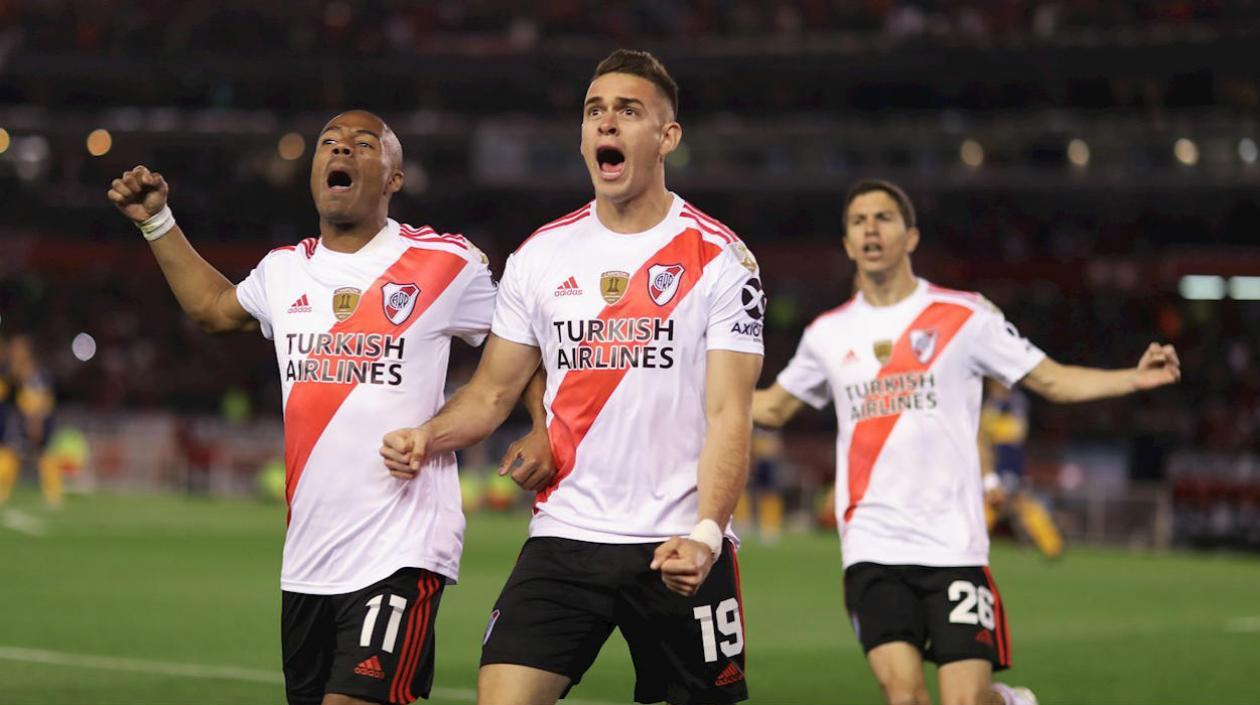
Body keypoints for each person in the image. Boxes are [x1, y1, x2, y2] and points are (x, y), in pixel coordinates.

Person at [380, 49, 765, 705]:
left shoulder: (722, 259)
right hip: (567, 536)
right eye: (594, 112)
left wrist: (706, 533)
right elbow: (492, 392)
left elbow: (731, 413)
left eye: (628, 111)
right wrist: (428, 434)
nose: (606, 124)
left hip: (675, 542)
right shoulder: (540, 255)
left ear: (667, 136)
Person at [107, 110, 523, 705]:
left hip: (400, 549)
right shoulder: (284, 271)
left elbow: (525, 341)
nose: (341, 151)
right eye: (329, 143)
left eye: (362, 144)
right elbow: (212, 308)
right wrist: (156, 221)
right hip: (308, 559)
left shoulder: (445, 263)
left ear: (394, 178)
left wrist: (524, 430)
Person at [751, 178, 1181, 705]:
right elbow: (771, 406)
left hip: (953, 543)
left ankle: (1008, 701)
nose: (870, 229)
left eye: (883, 218)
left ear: (911, 237)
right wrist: (688, 393)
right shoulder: (826, 334)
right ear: (846, 244)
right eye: (858, 221)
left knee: (966, 701)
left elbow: (1049, 379)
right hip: (871, 544)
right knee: (904, 697)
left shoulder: (966, 316)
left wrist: (1130, 379)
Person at [979, 379, 1063, 559]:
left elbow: (1002, 432)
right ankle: (1051, 545)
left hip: (1007, 462)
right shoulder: (1000, 403)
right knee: (1006, 504)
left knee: (1011, 503)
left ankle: (1051, 545)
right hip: (1001, 461)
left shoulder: (1011, 403)